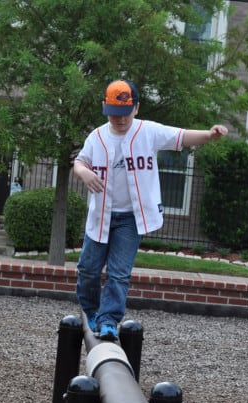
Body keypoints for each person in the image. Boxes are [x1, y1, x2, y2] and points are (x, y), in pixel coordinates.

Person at [73, 78, 228, 340]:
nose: (119, 119)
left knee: (119, 273)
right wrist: (83, 173)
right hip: (101, 216)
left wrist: (210, 135)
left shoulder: (148, 131)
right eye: (113, 113)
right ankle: (92, 310)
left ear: (136, 108)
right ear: (105, 108)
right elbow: (80, 162)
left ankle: (110, 319)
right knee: (88, 269)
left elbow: (180, 136)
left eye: (124, 113)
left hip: (131, 219)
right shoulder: (97, 136)